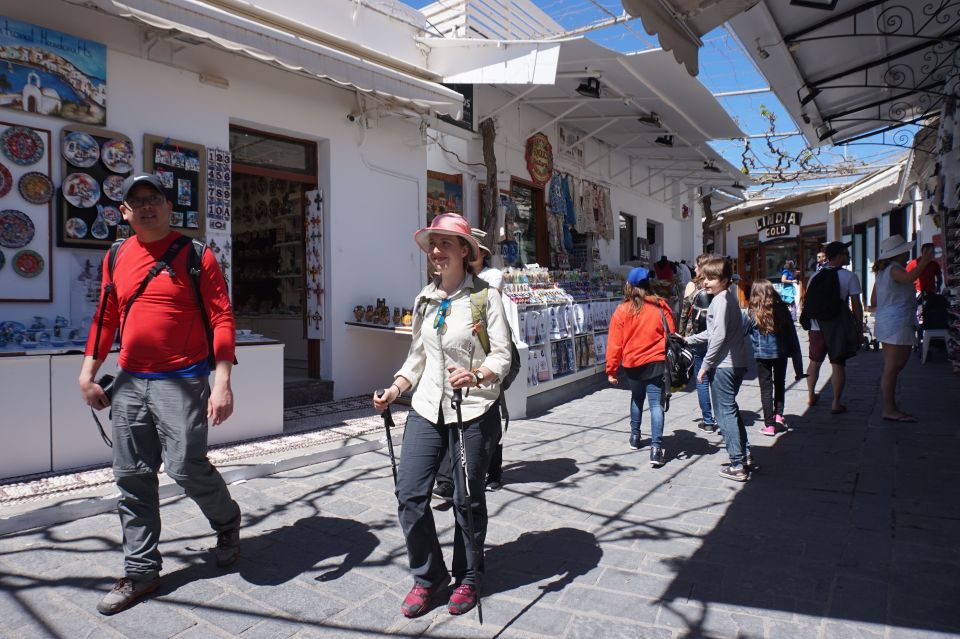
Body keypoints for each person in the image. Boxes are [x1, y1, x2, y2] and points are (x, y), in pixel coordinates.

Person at [78, 174, 241, 615]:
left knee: (186, 466)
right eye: (136, 202)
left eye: (154, 199)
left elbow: (222, 318)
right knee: (131, 477)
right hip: (129, 381)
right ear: (125, 213)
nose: (146, 207)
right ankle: (141, 571)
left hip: (184, 379)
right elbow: (105, 317)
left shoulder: (197, 255)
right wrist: (88, 372)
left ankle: (227, 521)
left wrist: (222, 381)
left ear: (170, 207)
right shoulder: (116, 256)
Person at [372, 213, 512, 618]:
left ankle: (468, 576)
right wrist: (395, 389)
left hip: (473, 409)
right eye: (432, 244)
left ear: (465, 251)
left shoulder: (485, 298)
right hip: (426, 407)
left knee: (467, 500)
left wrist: (478, 374)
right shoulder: (425, 298)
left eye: (445, 244)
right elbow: (417, 356)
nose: (436, 251)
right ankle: (428, 578)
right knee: (410, 496)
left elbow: (502, 354)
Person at [434, 228, 506, 497]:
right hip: (455, 367)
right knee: (448, 421)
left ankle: (492, 470)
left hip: (485, 359)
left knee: (488, 419)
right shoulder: (445, 283)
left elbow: (489, 317)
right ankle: (447, 479)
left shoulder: (490, 280)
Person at [684, 256, 755, 482]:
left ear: (724, 280)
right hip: (733, 363)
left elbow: (719, 337)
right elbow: (713, 333)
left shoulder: (720, 301)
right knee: (730, 410)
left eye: (712, 278)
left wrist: (705, 366)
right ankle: (744, 455)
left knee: (724, 414)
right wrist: (689, 340)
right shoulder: (725, 298)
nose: (706, 283)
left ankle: (737, 464)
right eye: (705, 278)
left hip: (725, 365)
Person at [606, 267, 676, 467]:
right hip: (655, 362)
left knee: (637, 398)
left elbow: (614, 344)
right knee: (656, 404)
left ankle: (635, 437)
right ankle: (655, 449)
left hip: (632, 364)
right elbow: (671, 334)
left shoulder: (622, 310)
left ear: (629, 286)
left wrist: (611, 370)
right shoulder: (661, 306)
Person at [870, 236, 934, 422]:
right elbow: (910, 277)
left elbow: (874, 300)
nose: (908, 254)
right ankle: (888, 409)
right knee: (893, 368)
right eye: (905, 250)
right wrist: (925, 262)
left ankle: (889, 407)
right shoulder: (895, 269)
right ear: (898, 253)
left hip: (887, 321)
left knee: (892, 367)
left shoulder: (882, 272)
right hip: (897, 322)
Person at [803, 241, 863, 414]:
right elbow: (856, 306)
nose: (848, 256)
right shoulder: (850, 277)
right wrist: (859, 329)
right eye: (845, 253)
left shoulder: (815, 276)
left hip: (816, 326)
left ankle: (810, 395)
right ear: (837, 256)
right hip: (837, 327)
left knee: (814, 363)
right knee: (838, 364)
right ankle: (836, 403)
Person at [747, 280, 799, 436]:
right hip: (780, 352)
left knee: (766, 389)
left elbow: (745, 331)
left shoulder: (752, 311)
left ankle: (769, 425)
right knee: (780, 383)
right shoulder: (782, 309)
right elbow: (792, 334)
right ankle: (779, 415)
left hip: (762, 355)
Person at [678, 254, 717, 433]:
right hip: (716, 337)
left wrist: (680, 335)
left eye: (696, 266)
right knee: (716, 378)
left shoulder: (692, 286)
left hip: (697, 337)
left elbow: (685, 313)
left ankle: (708, 420)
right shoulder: (718, 286)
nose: (694, 269)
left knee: (702, 379)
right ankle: (722, 415)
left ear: (702, 266)